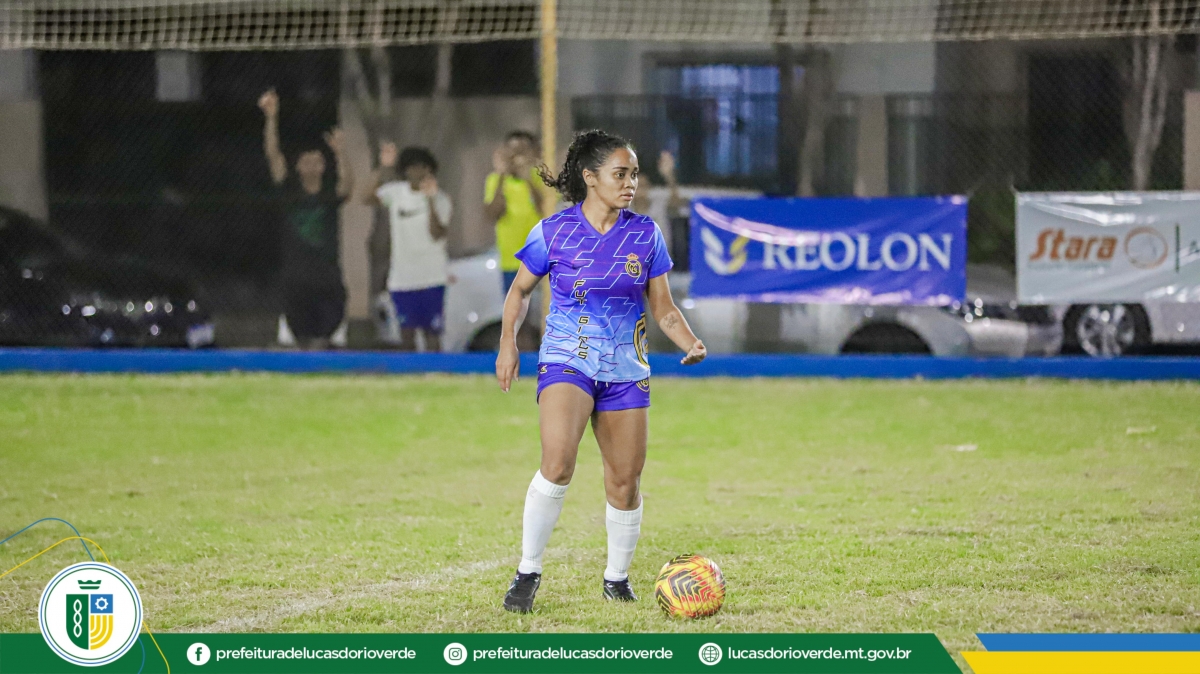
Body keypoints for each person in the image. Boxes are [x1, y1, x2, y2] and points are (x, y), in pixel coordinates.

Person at [495, 130, 707, 613]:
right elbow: (520, 290)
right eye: (620, 174)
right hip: (568, 358)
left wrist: (690, 342)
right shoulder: (553, 231)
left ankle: (617, 579)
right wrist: (508, 342)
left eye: (634, 174)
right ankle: (527, 572)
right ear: (590, 178)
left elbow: (663, 308)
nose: (630, 183)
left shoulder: (645, 234)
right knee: (558, 462)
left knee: (625, 481)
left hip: (626, 367)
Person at [258, 88, 354, 350]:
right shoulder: (289, 191)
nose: (312, 165)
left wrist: (340, 152)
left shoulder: (329, 194)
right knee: (301, 337)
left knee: (325, 338)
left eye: (317, 160)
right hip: (296, 278)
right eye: (306, 161)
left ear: (324, 166)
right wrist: (271, 118)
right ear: (298, 167)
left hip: (327, 278)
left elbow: (347, 186)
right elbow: (273, 154)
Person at [372, 143, 452, 352]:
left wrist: (430, 200)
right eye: (412, 168)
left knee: (432, 335)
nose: (418, 173)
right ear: (405, 171)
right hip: (402, 280)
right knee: (406, 335)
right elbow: (367, 197)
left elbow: (437, 233)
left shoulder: (441, 199)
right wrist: (383, 168)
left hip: (432, 278)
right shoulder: (395, 193)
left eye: (423, 168)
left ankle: (435, 370)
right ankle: (411, 370)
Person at [485, 131, 546, 294]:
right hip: (511, 262)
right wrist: (501, 176)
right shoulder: (495, 180)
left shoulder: (542, 177)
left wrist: (528, 178)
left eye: (523, 150)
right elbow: (493, 215)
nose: (517, 156)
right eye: (512, 150)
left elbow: (546, 211)